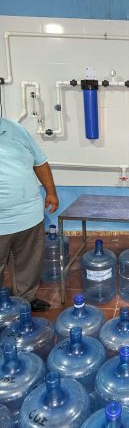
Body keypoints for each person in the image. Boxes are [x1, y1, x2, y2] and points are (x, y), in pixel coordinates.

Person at [0, 117, 58, 311]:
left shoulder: (15, 129)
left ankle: (26, 300)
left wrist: (51, 192)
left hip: (29, 215)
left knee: (28, 262)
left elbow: (40, 162)